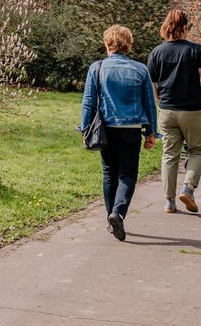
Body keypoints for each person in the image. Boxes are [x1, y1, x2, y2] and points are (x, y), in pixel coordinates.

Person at [79, 25, 157, 242]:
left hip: (106, 129)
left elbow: (88, 102)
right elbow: (149, 104)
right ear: (128, 45)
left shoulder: (97, 68)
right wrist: (151, 132)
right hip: (131, 129)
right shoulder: (140, 69)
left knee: (109, 173)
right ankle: (118, 213)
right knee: (128, 174)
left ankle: (110, 218)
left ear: (108, 44)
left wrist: (85, 128)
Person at [147, 9, 201, 214]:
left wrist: (160, 102)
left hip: (167, 110)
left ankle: (169, 201)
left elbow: (152, 83)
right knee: (198, 150)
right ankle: (188, 188)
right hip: (192, 109)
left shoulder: (157, 52)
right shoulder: (196, 50)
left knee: (169, 155)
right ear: (185, 27)